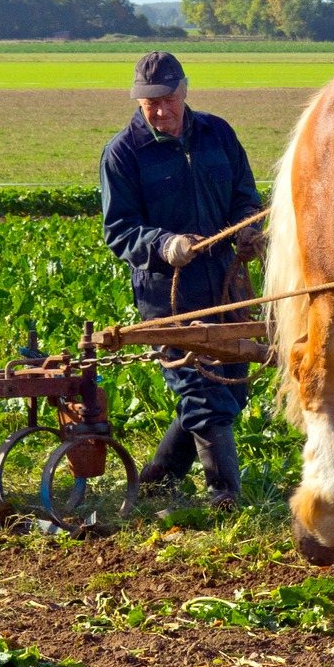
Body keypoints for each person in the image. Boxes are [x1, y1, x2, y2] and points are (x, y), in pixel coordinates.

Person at [100, 51, 264, 508]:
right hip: (166, 291)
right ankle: (224, 495)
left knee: (232, 385)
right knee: (201, 390)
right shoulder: (123, 153)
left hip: (225, 282)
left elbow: (244, 195)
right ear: (137, 101)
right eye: (149, 102)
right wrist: (164, 244)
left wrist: (248, 228)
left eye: (167, 98)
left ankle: (159, 475)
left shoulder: (218, 134)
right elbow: (119, 230)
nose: (159, 110)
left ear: (184, 90)